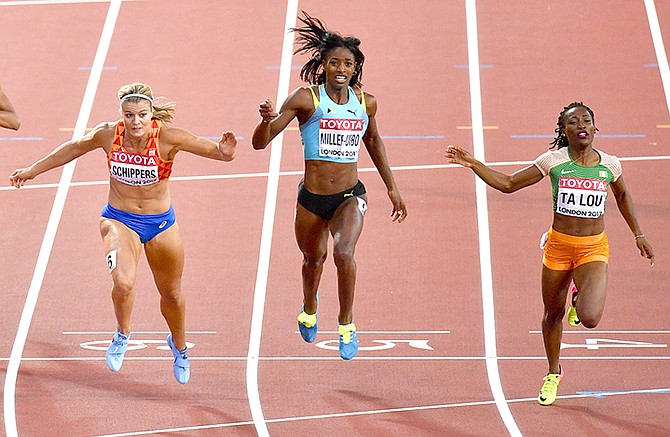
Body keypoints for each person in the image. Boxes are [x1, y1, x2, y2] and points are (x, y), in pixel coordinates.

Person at [9, 82, 237, 384]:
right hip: (119, 219)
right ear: (122, 114)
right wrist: (33, 170)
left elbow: (216, 152)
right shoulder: (108, 134)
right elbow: (74, 148)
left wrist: (224, 151)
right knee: (123, 282)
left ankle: (180, 347)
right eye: (129, 115)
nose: (135, 122)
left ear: (151, 114)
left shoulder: (169, 138)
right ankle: (122, 332)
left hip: (160, 223)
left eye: (142, 115)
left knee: (171, 293)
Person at [445, 102, 654, 405]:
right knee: (551, 315)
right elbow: (508, 184)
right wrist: (474, 163)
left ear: (595, 128)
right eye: (573, 122)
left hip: (592, 248)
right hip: (558, 247)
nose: (581, 125)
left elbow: (622, 194)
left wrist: (639, 233)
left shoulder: (610, 165)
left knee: (590, 318)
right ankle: (553, 373)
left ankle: (578, 297)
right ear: (564, 131)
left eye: (586, 120)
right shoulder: (553, 161)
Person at [252, 12, 407, 360]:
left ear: (355, 69)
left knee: (343, 253)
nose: (341, 68)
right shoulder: (306, 99)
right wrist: (264, 122)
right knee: (313, 259)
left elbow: (375, 142)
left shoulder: (366, 103)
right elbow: (260, 143)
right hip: (311, 200)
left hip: (349, 196)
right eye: (334, 61)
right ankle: (309, 306)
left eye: (348, 63)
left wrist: (392, 187)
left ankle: (346, 323)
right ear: (323, 64)